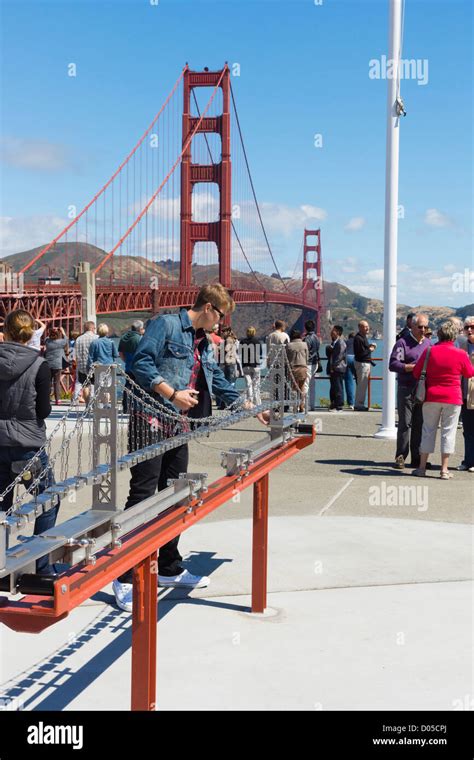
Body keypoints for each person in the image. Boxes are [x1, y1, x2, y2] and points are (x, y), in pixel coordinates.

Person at [112, 284, 266, 613]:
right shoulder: (165, 325)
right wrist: (172, 394)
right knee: (143, 495)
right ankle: (123, 575)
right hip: (149, 418)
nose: (221, 325)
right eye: (221, 317)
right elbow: (140, 363)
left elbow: (214, 380)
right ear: (209, 307)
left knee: (177, 493)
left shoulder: (202, 342)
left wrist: (251, 406)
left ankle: (166, 566)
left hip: (177, 423)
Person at [0, 310, 60, 575]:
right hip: (28, 446)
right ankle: (42, 566)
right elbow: (44, 411)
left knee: (1, 504)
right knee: (48, 499)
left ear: (6, 332)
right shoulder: (40, 365)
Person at [412, 321, 474, 479]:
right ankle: (444, 470)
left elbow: (416, 372)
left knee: (428, 430)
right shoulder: (461, 354)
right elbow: (469, 373)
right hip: (453, 397)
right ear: (454, 336)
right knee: (449, 432)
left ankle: (421, 468)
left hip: (431, 396)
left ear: (439, 335)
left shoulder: (429, 351)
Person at [389, 313, 432, 469]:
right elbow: (393, 364)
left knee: (419, 424)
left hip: (422, 389)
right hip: (406, 388)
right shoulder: (402, 343)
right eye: (419, 326)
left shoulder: (429, 344)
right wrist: (411, 368)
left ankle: (417, 458)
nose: (422, 329)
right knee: (405, 423)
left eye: (425, 327)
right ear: (412, 326)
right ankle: (400, 456)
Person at [458, 316, 474, 472]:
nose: (469, 330)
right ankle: (468, 460)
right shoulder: (461, 346)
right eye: (467, 327)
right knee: (467, 430)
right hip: (464, 394)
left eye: (473, 327)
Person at [118, 320, 145, 412]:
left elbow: (120, 353)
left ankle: (126, 407)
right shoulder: (140, 339)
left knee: (128, 386)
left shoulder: (124, 337)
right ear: (140, 329)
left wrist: (126, 361)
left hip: (128, 366)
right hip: (139, 367)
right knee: (139, 387)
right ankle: (138, 408)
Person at [353, 321, 376, 410]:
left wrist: (369, 347)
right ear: (360, 327)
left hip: (364, 363)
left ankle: (360, 404)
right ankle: (359, 405)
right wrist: (370, 349)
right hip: (362, 364)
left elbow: (362, 350)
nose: (367, 328)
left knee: (362, 385)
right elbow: (360, 353)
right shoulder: (358, 338)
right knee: (361, 385)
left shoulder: (362, 337)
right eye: (365, 326)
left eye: (368, 326)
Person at [72, 322, 96, 404]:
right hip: (94, 366)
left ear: (85, 329)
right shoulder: (96, 338)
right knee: (93, 384)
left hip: (82, 366)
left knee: (85, 386)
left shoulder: (78, 339)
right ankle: (93, 403)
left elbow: (74, 355)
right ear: (92, 328)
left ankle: (87, 404)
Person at [286, 329, 309, 412]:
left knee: (294, 388)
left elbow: (287, 359)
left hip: (293, 368)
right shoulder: (305, 344)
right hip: (303, 367)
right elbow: (307, 357)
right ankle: (302, 405)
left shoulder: (289, 345)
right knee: (302, 387)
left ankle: (295, 406)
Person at [44, 326, 68, 405]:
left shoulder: (47, 342)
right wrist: (62, 331)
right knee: (56, 383)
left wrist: (50, 331)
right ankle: (58, 400)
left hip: (48, 364)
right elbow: (66, 339)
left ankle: (47, 399)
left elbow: (47, 337)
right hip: (58, 365)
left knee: (48, 382)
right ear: (58, 335)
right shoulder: (61, 342)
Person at [326, 326, 347, 412]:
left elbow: (339, 356)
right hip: (334, 368)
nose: (331, 332)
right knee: (334, 387)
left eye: (333, 331)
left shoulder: (341, 342)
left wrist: (333, 366)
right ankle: (334, 404)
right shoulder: (334, 342)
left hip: (338, 368)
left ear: (338, 332)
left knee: (338, 387)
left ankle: (339, 405)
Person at [239, 326, 262, 405]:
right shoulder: (257, 341)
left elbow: (240, 352)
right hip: (255, 365)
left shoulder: (242, 341)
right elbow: (260, 353)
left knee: (248, 384)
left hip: (245, 365)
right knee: (256, 385)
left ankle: (250, 402)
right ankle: (257, 403)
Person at [303, 319, 320, 412]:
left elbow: (305, 351)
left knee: (305, 384)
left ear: (305, 328)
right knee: (312, 384)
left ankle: (305, 405)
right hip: (315, 363)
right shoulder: (317, 338)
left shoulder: (307, 339)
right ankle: (312, 405)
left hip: (308, 363)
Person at [344, 332, 357, 409]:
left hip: (347, 359)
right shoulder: (357, 341)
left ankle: (351, 403)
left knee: (349, 382)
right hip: (356, 359)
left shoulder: (346, 342)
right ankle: (359, 402)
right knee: (359, 381)